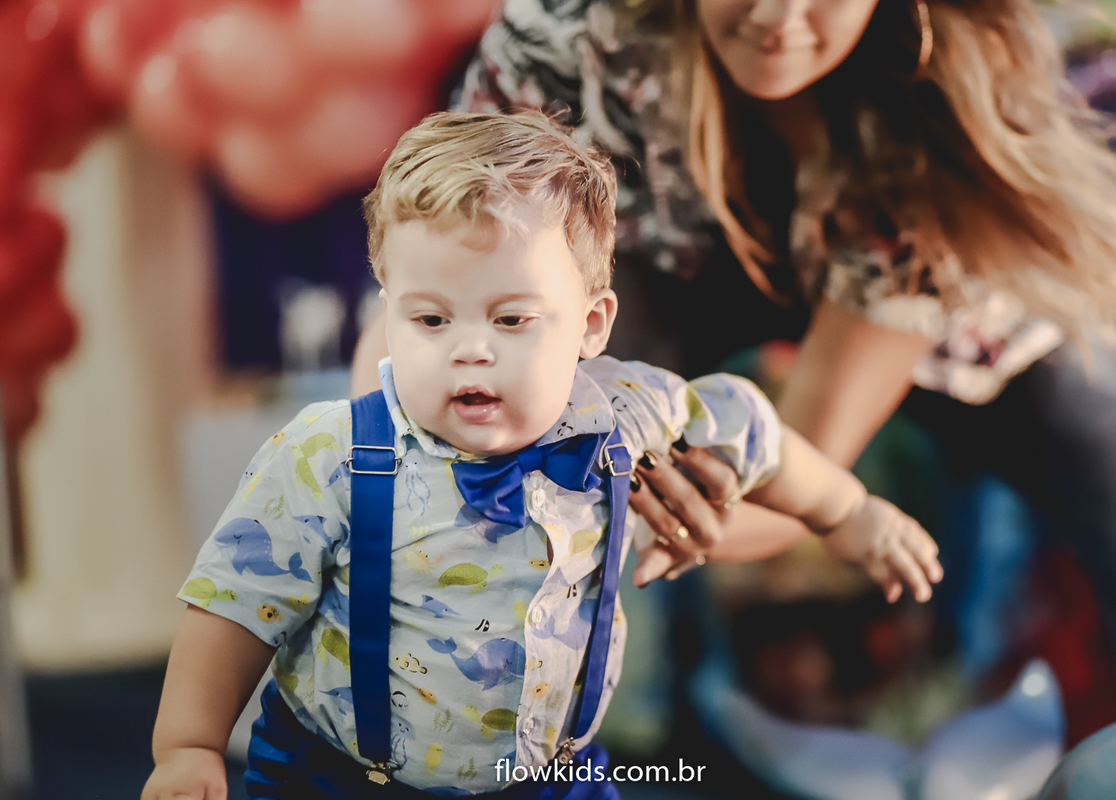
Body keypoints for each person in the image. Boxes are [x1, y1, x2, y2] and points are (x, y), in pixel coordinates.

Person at [346, 0, 1116, 715]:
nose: (777, 15)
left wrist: (676, 518)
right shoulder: (575, 33)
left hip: (924, 298)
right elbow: (434, 293)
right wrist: (386, 475)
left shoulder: (939, 115)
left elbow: (806, 459)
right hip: (653, 264)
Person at [143, 111, 942, 799]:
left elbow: (755, 434)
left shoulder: (627, 412)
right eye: (430, 320)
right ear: (387, 313)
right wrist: (189, 743)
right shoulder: (329, 454)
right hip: (345, 775)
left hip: (550, 774)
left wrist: (850, 513)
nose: (470, 350)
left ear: (591, 325)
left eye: (511, 320)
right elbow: (234, 603)